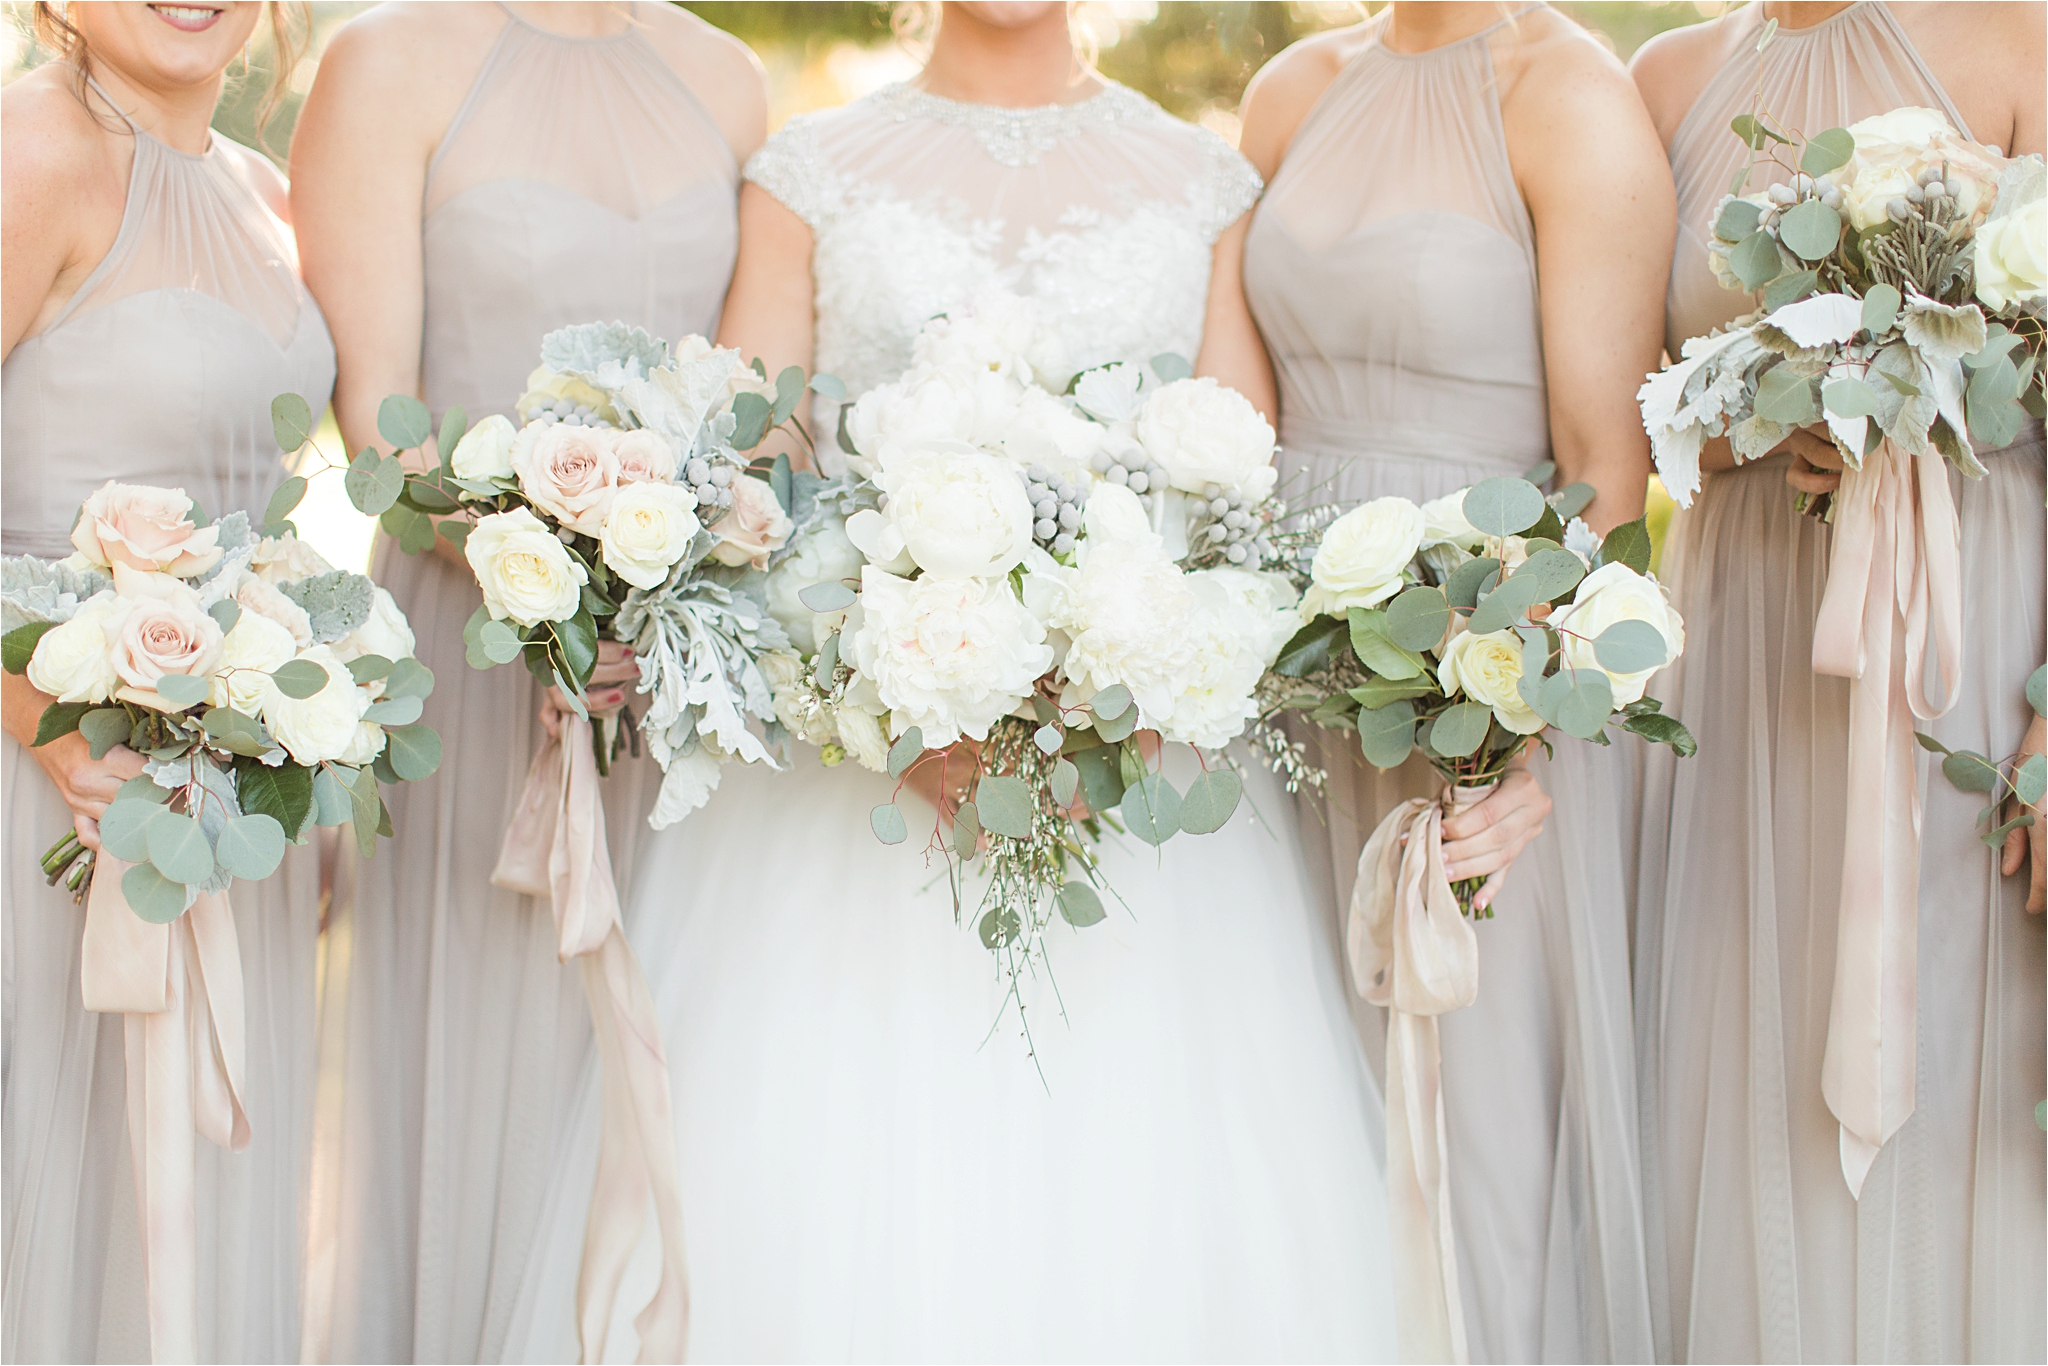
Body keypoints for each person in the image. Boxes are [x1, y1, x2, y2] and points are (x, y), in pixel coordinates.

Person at [505, 3, 1397, 1361]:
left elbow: (1235, 510)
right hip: (851, 793)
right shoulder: (804, 175)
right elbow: (757, 487)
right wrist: (886, 701)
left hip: (1142, 797)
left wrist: (1129, 703)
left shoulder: (1207, 185)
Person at [287, 3, 764, 1359]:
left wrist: (653, 593)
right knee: (482, 1074)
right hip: (467, 643)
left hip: (671, 672)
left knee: (664, 1063)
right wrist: (547, 572)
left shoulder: (726, 80)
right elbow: (378, 406)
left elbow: (746, 404)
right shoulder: (384, 60)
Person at [1237, 2, 1675, 1359]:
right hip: (1280, 695)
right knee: (1294, 1121)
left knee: (1469, 1132)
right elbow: (1233, 422)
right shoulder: (1290, 89)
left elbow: (1607, 468)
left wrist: (1504, 713)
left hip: (1470, 694)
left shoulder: (1571, 97)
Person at [1628, 2, 2045, 1360]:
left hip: (1967, 631)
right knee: (1743, 1060)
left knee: (1957, 1033)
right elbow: (1641, 387)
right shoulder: (1671, 77)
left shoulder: (2019, 36)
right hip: (1744, 638)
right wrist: (1773, 402)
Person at [1, 2, 334, 1359]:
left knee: (171, 1257)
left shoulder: (260, 191)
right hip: (48, 796)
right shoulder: (35, 148)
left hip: (212, 812)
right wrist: (41, 721)